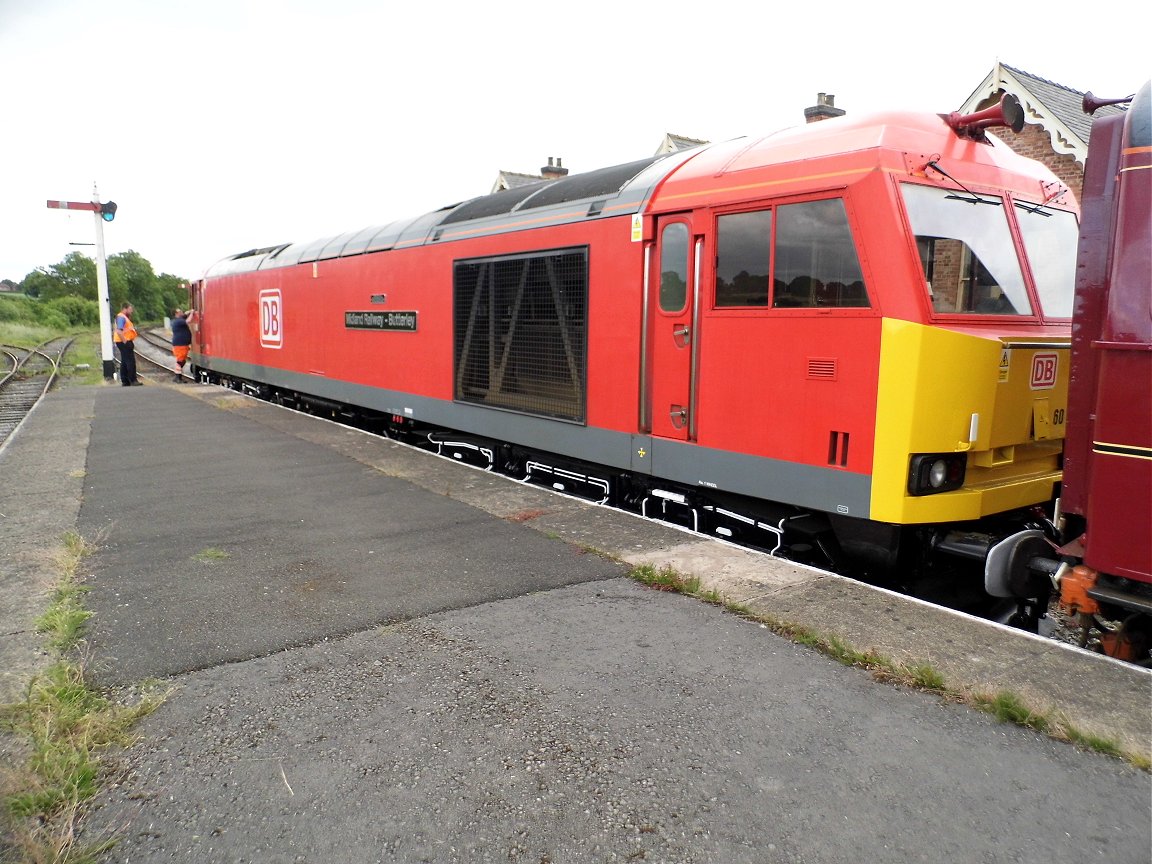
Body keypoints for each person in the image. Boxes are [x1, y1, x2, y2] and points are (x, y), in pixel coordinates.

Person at [114, 302, 141, 386]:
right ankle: (133, 380)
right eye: (130, 309)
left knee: (125, 361)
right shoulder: (121, 317)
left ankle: (125, 381)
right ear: (125, 308)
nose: (131, 311)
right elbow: (119, 331)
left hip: (122, 341)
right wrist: (125, 341)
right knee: (130, 361)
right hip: (124, 341)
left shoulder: (123, 317)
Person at [170, 308, 192, 382]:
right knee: (180, 361)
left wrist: (187, 313)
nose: (182, 312)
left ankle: (178, 377)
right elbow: (188, 321)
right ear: (176, 314)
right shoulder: (179, 321)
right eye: (180, 312)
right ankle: (177, 377)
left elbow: (184, 316)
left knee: (182, 361)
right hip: (180, 344)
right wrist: (191, 313)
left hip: (181, 344)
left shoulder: (177, 320)